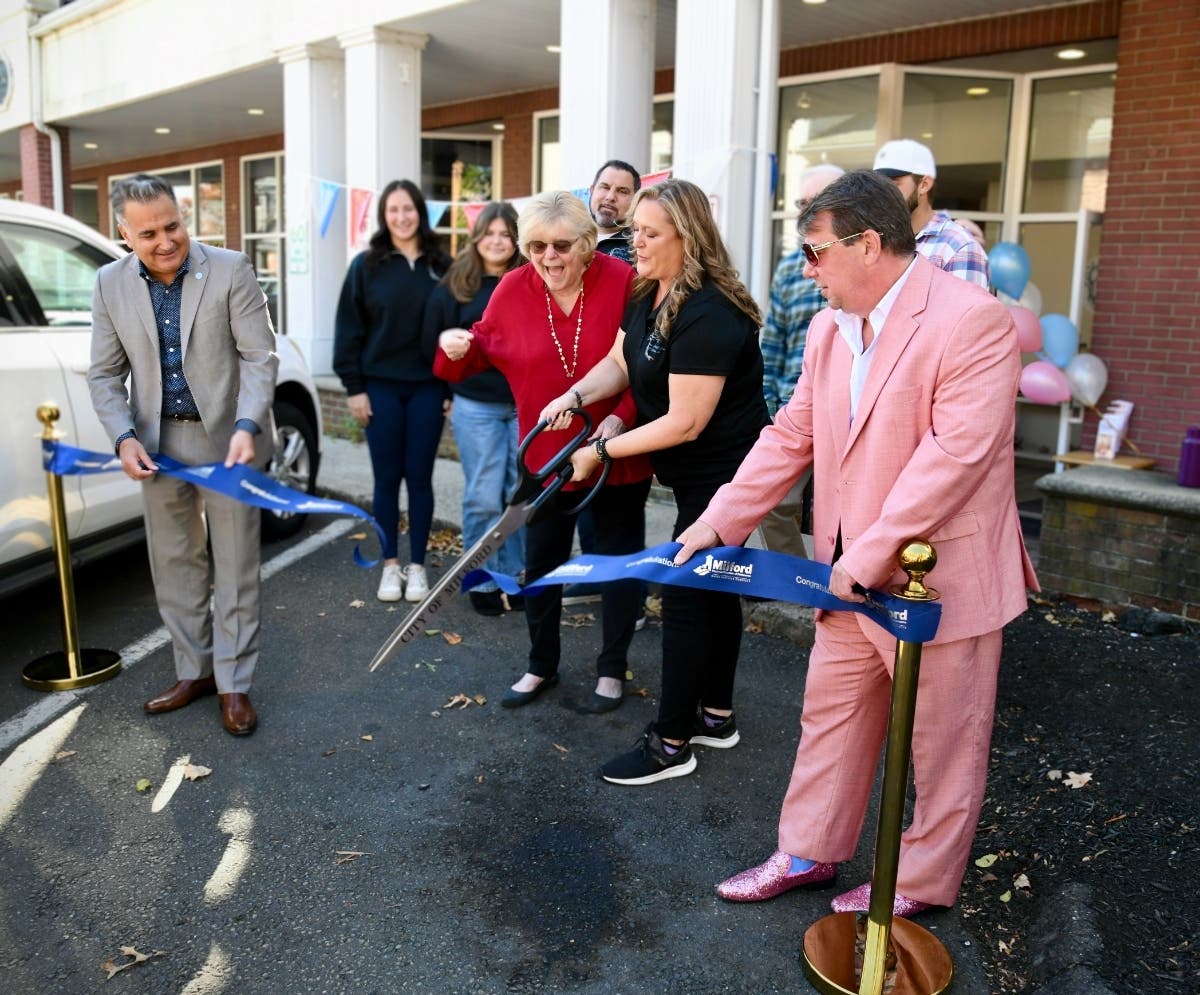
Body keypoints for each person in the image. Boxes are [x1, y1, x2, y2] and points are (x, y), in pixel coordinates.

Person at [672, 169, 1038, 915]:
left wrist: (868, 555)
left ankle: (921, 881)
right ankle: (807, 851)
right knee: (830, 720)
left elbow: (956, 456)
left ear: (868, 244)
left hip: (939, 582)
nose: (807, 270)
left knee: (942, 745)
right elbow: (792, 434)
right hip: (844, 575)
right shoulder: (825, 329)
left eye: (815, 252)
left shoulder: (973, 320)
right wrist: (719, 520)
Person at [540, 178, 769, 785]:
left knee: (686, 595)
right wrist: (573, 397)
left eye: (649, 233)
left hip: (726, 473)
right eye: (635, 230)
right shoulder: (649, 290)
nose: (634, 242)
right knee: (713, 590)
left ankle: (672, 742)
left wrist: (599, 450)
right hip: (695, 472)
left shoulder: (710, 312)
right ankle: (716, 716)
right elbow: (621, 362)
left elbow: (686, 421)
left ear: (686, 238)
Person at [434, 191, 652, 714]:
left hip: (615, 449)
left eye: (561, 245)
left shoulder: (624, 281)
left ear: (587, 243)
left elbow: (646, 366)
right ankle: (540, 664)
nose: (548, 257)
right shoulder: (513, 288)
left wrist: (620, 421)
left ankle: (611, 669)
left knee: (617, 563)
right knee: (542, 562)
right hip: (546, 458)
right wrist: (454, 345)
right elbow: (477, 351)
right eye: (536, 246)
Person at [88, 174, 278, 737]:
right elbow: (104, 374)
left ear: (183, 216)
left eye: (172, 226)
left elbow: (259, 357)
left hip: (229, 442)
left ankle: (234, 683)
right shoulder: (109, 283)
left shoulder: (230, 268)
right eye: (148, 234)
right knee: (173, 564)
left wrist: (248, 424)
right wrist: (123, 437)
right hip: (157, 446)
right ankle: (193, 672)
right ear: (124, 234)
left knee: (235, 563)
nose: (165, 241)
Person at [334, 179, 451, 604]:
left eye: (409, 208)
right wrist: (354, 388)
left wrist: (451, 387)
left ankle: (416, 566)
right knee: (386, 479)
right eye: (393, 210)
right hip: (379, 388)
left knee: (420, 479)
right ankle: (389, 565)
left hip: (428, 389)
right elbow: (348, 329)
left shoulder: (442, 265)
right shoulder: (366, 266)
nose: (402, 217)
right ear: (384, 216)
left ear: (420, 212)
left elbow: (456, 327)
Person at [423, 203, 526, 617]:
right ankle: (481, 578)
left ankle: (514, 576)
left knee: (518, 494)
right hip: (475, 405)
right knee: (484, 496)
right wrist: (444, 393)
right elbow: (433, 342)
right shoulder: (456, 285)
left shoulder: (529, 280)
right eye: (490, 233)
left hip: (524, 403)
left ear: (516, 239)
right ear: (477, 236)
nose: (497, 241)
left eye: (506, 234)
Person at [758, 163, 843, 559]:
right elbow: (773, 340)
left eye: (815, 201)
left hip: (847, 413)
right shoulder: (791, 268)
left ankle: (841, 582)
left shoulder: (862, 265)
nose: (805, 211)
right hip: (795, 409)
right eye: (800, 203)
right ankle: (795, 581)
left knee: (845, 511)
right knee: (772, 500)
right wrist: (769, 404)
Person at [873, 138, 989, 288]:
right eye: (880, 185)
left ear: (924, 185)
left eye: (893, 184)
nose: (883, 193)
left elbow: (967, 304)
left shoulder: (959, 247)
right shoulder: (875, 239)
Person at [590, 159, 640, 264]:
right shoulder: (569, 234)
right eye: (605, 187)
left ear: (635, 200)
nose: (610, 197)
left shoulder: (639, 246)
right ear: (592, 190)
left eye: (622, 191)